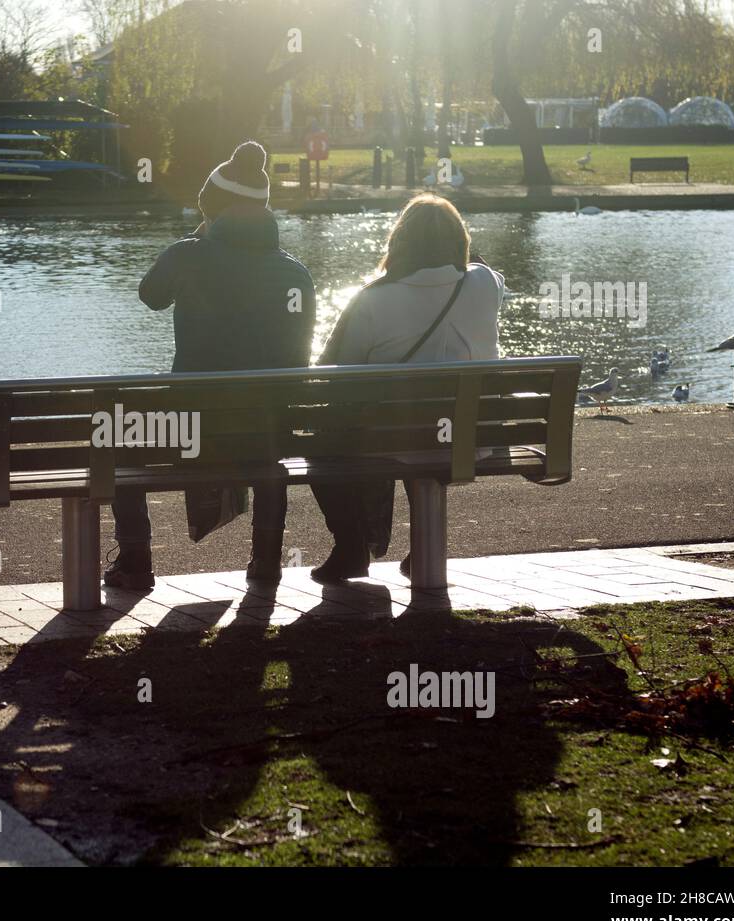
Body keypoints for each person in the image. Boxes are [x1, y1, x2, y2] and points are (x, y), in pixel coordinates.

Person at [105, 141, 316, 590]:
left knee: (118, 437)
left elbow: (150, 295)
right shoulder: (295, 273)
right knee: (268, 451)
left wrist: (199, 241)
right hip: (267, 428)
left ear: (212, 210)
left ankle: (135, 563)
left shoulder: (189, 255)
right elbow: (297, 357)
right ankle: (266, 563)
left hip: (191, 426)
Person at [310, 193, 504, 583]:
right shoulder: (485, 285)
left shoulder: (373, 299)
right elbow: (480, 266)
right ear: (460, 241)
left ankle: (351, 546)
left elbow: (339, 373)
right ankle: (422, 548)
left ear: (398, 242)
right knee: (428, 425)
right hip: (472, 436)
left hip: (393, 437)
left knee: (323, 445)